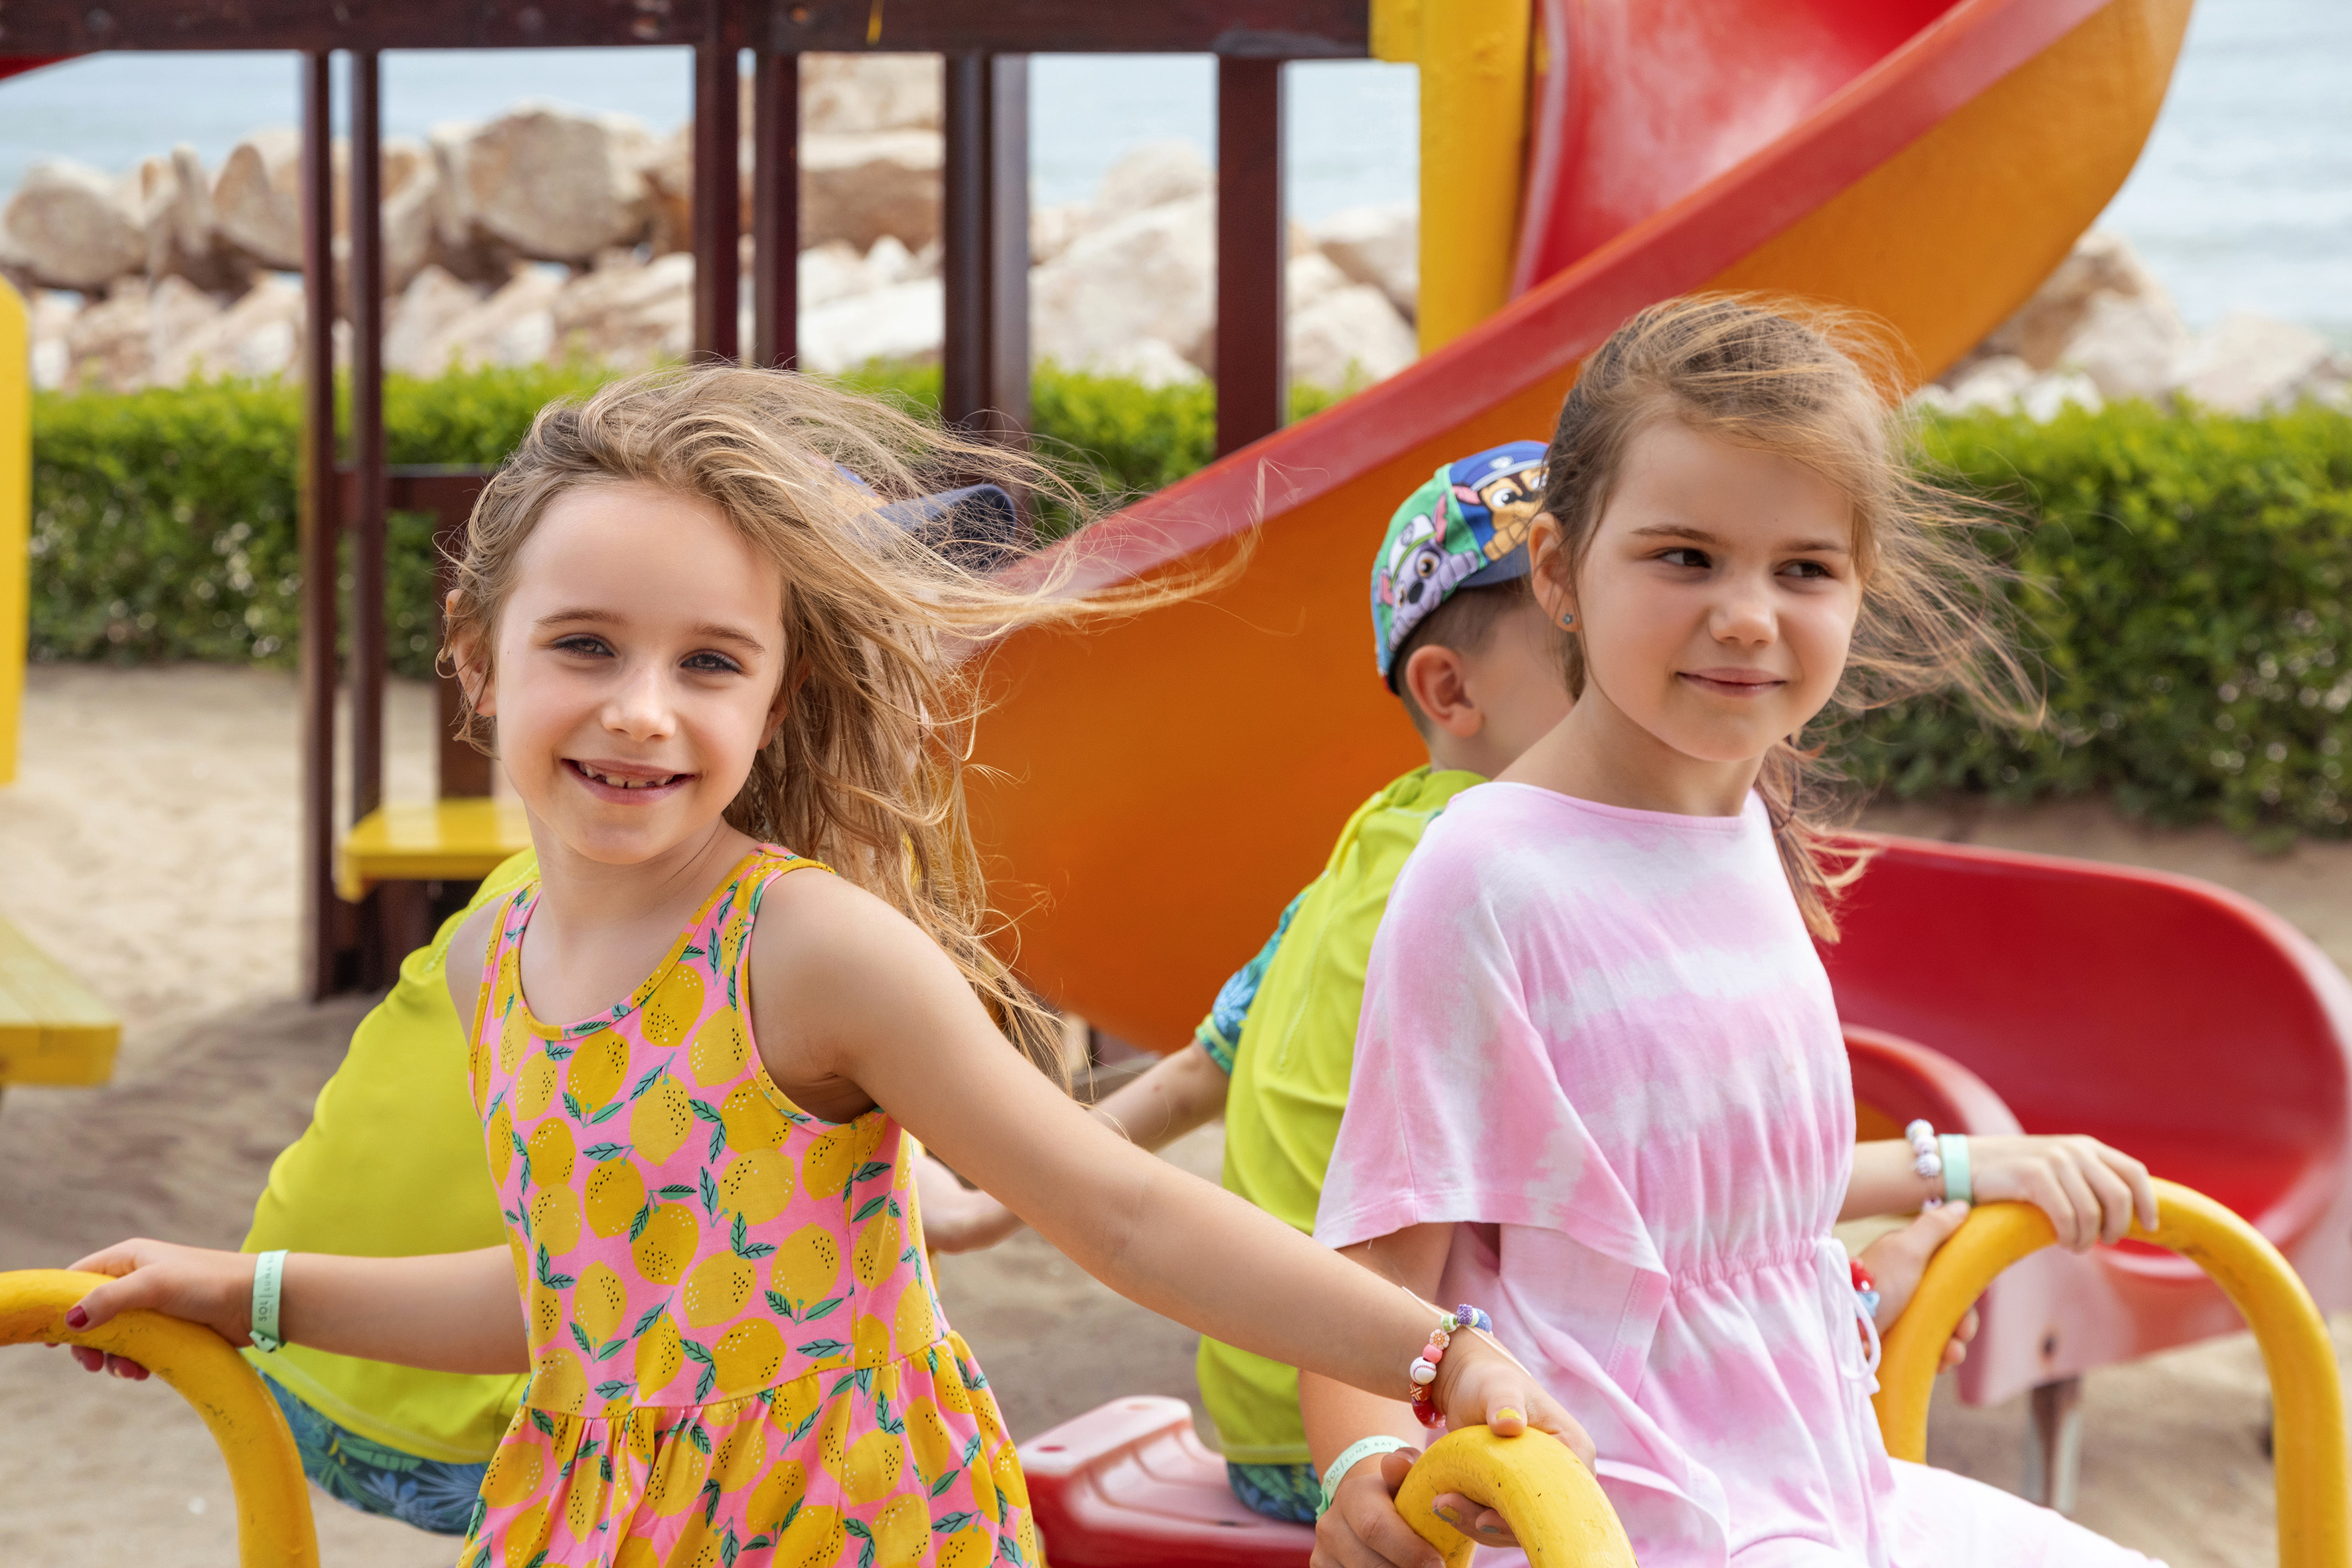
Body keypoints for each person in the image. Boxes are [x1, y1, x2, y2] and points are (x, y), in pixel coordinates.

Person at [52, 365, 1589, 1568]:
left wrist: (1433, 1350)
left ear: (776, 702)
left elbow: (1119, 1211)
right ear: (476, 652)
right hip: (600, 1513)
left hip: (839, 1518)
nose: (642, 708)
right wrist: (243, 1290)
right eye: (584, 645)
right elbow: (573, 1296)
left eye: (709, 662)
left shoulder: (806, 949)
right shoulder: (495, 960)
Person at [1304, 295, 2163, 1567]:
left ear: (1857, 590)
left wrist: (1958, 1174)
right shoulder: (1485, 875)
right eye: (1684, 557)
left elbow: (1695, 1204)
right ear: (1557, 571)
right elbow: (1375, 1277)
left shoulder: (1742, 831)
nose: (1749, 614)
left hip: (1821, 1486)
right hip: (1632, 1511)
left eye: (1802, 569)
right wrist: (1364, 1470)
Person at [984, 441, 1987, 1531]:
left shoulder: (1372, 840)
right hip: (1382, 1400)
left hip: (1331, 1376)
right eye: (1578, 652)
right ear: (1451, 687)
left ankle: (1841, 1310)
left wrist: (982, 1199)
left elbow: (1200, 1064)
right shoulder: (1482, 881)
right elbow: (1613, 1206)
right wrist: (1941, 1169)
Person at [206, 842, 1020, 1536]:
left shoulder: (520, 905)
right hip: (475, 1432)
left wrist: (254, 1291)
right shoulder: (798, 939)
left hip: (283, 1370)